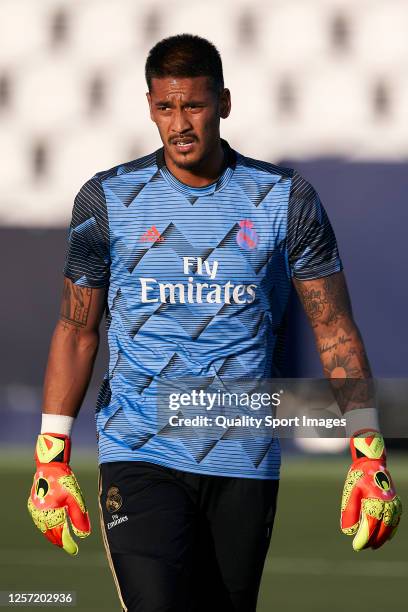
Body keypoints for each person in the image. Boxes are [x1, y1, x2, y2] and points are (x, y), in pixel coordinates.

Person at [27, 34, 401, 612]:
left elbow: (332, 326)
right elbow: (77, 328)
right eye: (166, 107)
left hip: (244, 452)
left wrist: (367, 447)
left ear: (224, 103)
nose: (180, 123)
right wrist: (51, 453)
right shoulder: (106, 199)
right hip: (140, 448)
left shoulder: (284, 199)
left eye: (194, 106)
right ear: (149, 106)